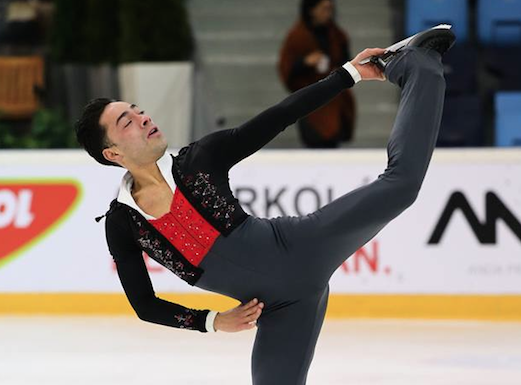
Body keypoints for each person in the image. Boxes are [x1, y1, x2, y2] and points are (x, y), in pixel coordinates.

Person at [76, 27, 455, 385]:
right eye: (126, 121)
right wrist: (212, 322)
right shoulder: (123, 223)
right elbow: (144, 304)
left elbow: (280, 116)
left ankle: (414, 64)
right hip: (280, 308)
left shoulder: (198, 159)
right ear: (112, 153)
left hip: (303, 244)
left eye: (137, 109)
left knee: (401, 185)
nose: (142, 117)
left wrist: (349, 74)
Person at [278, 0, 355, 148]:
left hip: (334, 98)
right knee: (315, 141)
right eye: (324, 8)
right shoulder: (297, 36)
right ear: (311, 10)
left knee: (333, 140)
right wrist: (305, 62)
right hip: (309, 98)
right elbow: (287, 68)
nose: (328, 13)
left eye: (330, 9)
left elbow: (347, 61)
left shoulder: (337, 35)